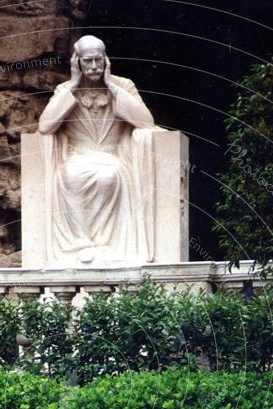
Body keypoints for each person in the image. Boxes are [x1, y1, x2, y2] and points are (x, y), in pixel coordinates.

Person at [38, 34, 157, 265]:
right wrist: (72, 86)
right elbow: (45, 126)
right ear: (77, 62)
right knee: (70, 176)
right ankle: (82, 244)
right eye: (87, 61)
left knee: (109, 176)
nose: (93, 66)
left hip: (113, 156)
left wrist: (112, 87)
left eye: (98, 60)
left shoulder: (124, 85)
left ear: (106, 60)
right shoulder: (65, 88)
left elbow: (146, 122)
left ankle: (105, 245)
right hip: (78, 155)